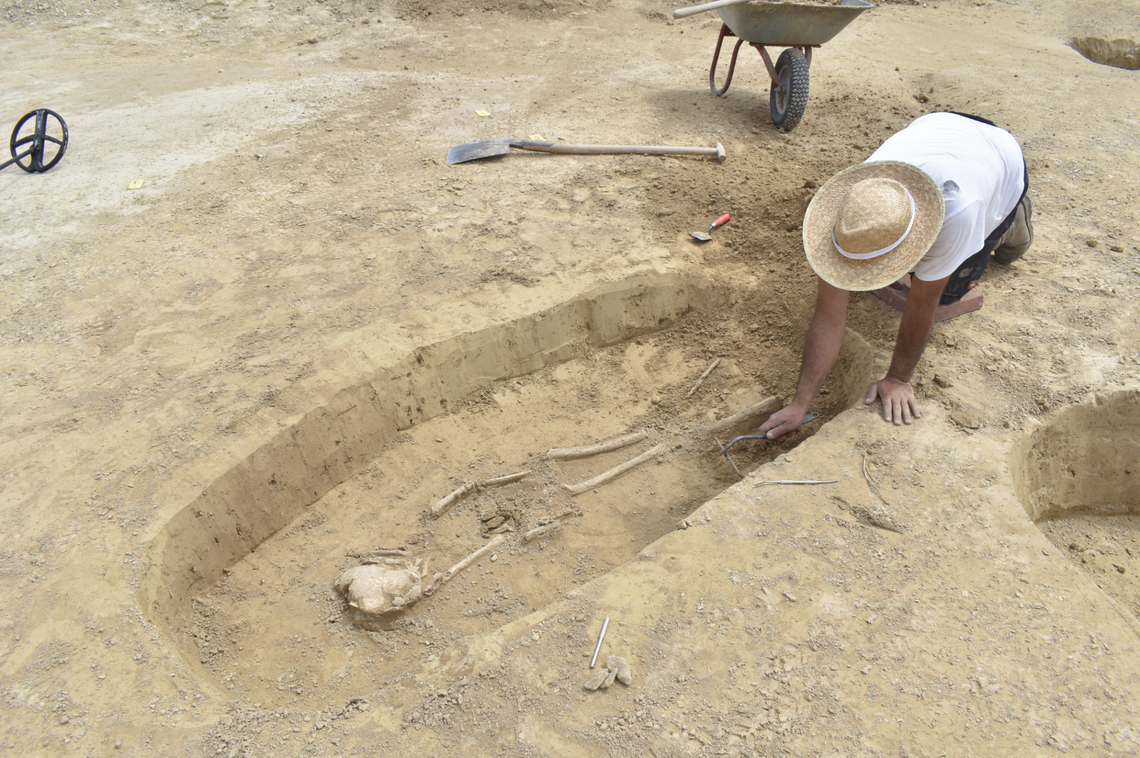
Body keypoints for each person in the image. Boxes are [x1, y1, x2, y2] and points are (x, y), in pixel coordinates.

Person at [759, 112, 1033, 438]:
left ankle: (1011, 224)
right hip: (938, 125)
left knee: (946, 292)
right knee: (873, 272)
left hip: (999, 162)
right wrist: (799, 404)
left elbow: (922, 303)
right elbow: (829, 316)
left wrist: (898, 379)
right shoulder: (853, 212)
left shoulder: (957, 214)